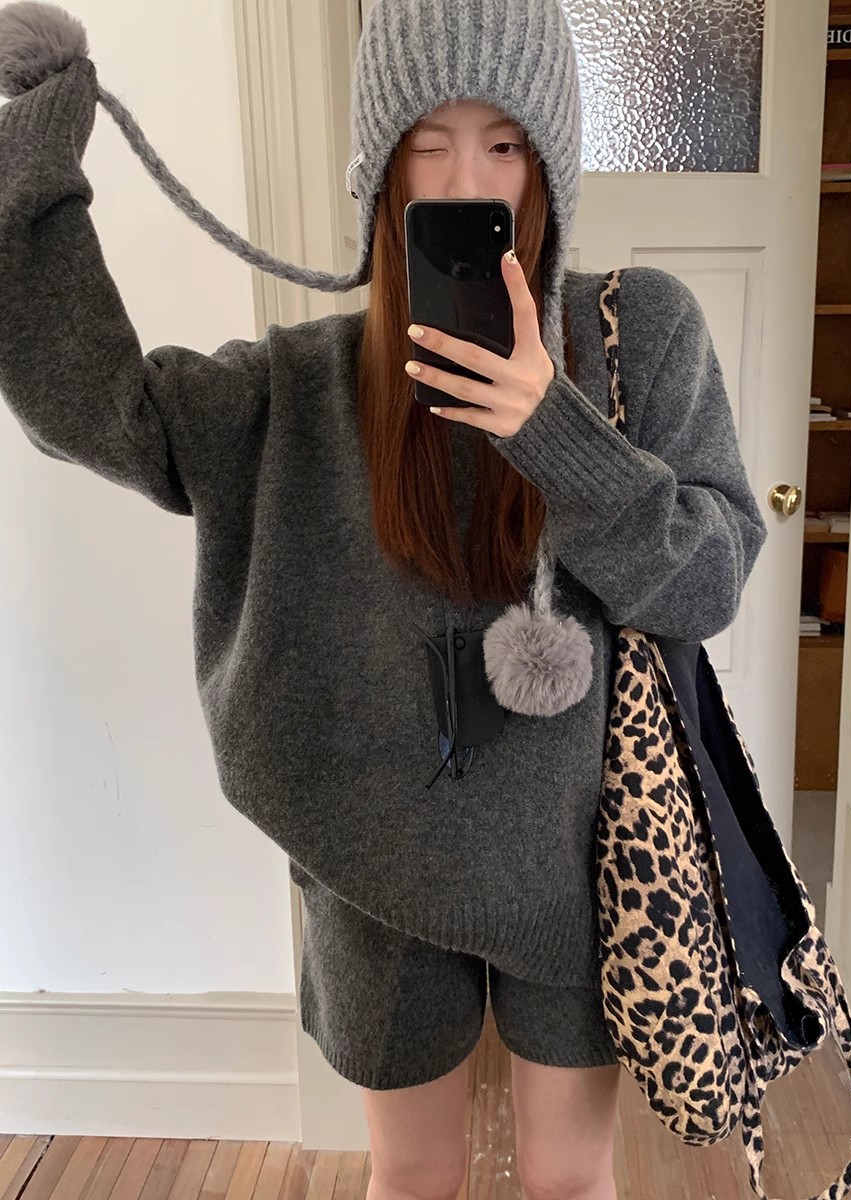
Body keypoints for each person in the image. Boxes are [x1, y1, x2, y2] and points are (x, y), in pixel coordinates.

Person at [0, 1, 768, 1197]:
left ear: (551, 161)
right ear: (381, 168)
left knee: (569, 1180)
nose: (468, 180)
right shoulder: (303, 384)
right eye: (429, 143)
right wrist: (33, 182)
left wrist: (551, 431)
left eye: (505, 144)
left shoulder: (639, 331)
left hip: (583, 855)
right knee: (411, 1179)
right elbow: (106, 413)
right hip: (372, 854)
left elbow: (709, 578)